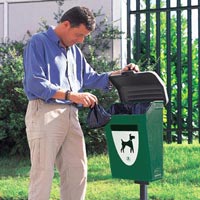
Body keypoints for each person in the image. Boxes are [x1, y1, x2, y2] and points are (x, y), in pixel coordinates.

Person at [23, 6, 139, 200]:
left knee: (77, 171)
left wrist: (120, 73)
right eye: (79, 34)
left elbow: (91, 77)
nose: (81, 40)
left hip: (71, 114)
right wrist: (71, 95)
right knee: (43, 174)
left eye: (84, 36)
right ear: (66, 24)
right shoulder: (39, 42)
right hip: (45, 111)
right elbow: (35, 82)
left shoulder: (73, 51)